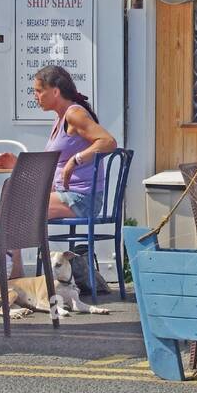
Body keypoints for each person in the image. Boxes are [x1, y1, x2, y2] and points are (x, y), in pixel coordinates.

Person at [30, 65, 117, 280]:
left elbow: (108, 142)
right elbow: (53, 167)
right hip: (69, 195)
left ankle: (14, 272)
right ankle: (15, 271)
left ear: (55, 91)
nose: (36, 96)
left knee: (19, 208)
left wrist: (74, 160)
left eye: (39, 91)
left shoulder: (74, 113)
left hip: (82, 198)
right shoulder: (60, 119)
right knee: (12, 204)